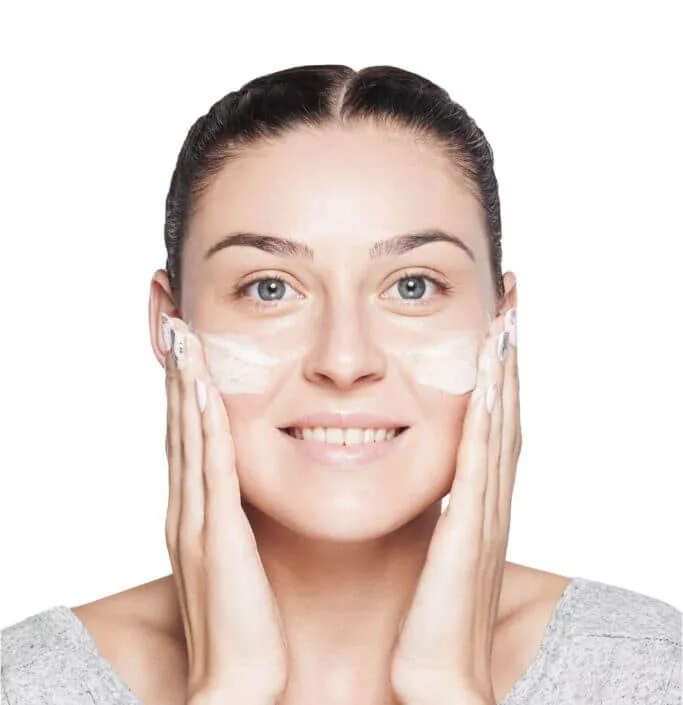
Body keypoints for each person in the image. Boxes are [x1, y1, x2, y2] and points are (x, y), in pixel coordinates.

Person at [2, 64, 680, 705]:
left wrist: (447, 687)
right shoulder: (33, 683)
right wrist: (229, 690)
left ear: (500, 323)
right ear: (169, 325)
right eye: (269, 288)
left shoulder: (647, 671)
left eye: (412, 286)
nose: (345, 358)